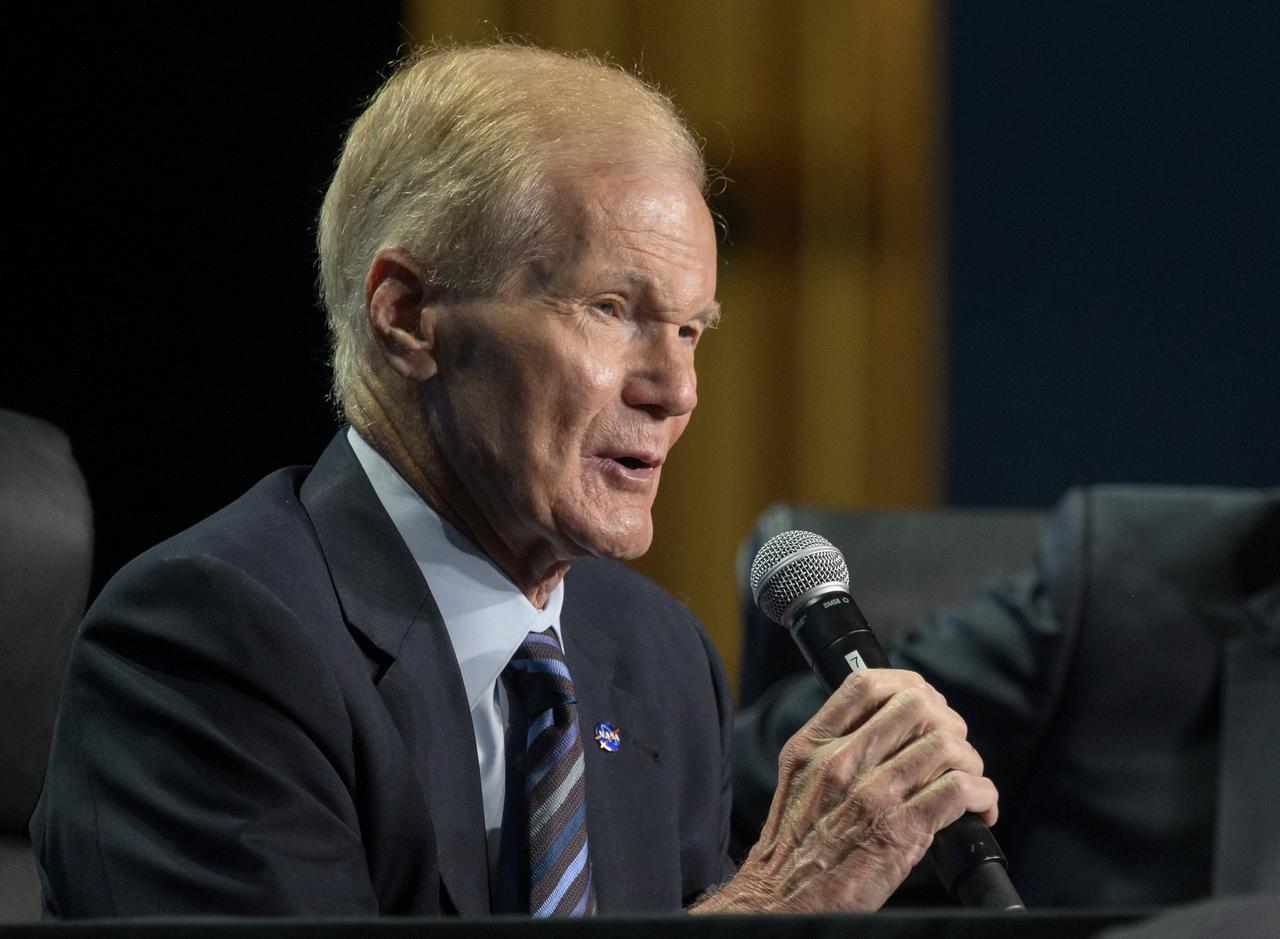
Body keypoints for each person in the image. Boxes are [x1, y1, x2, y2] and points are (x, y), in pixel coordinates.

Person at [30, 44, 998, 917]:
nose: (675, 389)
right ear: (407, 315)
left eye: (692, 328)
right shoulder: (216, 637)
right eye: (611, 308)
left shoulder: (651, 654)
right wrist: (777, 908)